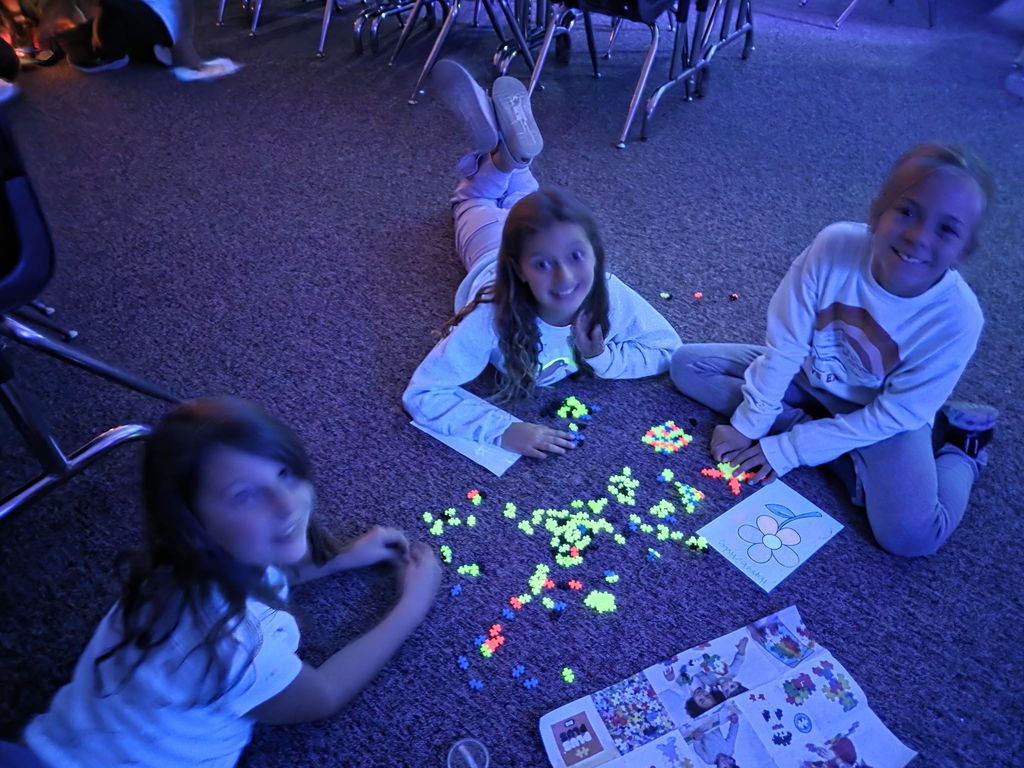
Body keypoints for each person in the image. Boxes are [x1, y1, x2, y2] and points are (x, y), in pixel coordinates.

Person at [13, 397, 441, 768]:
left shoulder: (175, 565)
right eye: (245, 496)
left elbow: (268, 575)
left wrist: (343, 559)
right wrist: (411, 606)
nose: (286, 504)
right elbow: (323, 694)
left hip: (56, 740)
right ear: (191, 522)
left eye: (284, 474)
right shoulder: (234, 644)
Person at [670, 144, 996, 558]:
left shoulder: (958, 319)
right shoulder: (833, 246)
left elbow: (894, 415)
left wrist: (788, 449)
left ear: (965, 250)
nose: (918, 236)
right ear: (877, 211)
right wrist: (750, 425)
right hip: (811, 376)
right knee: (687, 365)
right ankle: (836, 452)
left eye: (946, 230)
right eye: (907, 211)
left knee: (913, 538)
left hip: (888, 418)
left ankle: (963, 447)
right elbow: (786, 343)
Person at [403, 59, 681, 459]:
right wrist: (505, 430)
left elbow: (668, 350)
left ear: (596, 255)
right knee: (472, 201)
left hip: (528, 235)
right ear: (519, 269)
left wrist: (601, 357)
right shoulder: (491, 315)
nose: (566, 277)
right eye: (544, 265)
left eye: (576, 256)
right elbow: (424, 392)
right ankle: (507, 159)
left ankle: (511, 157)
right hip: (490, 252)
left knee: (516, 202)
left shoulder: (607, 292)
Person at [45, 0, 240, 79]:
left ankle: (112, 51)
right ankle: (145, 48)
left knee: (85, 48)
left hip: (144, 19)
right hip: (160, 24)